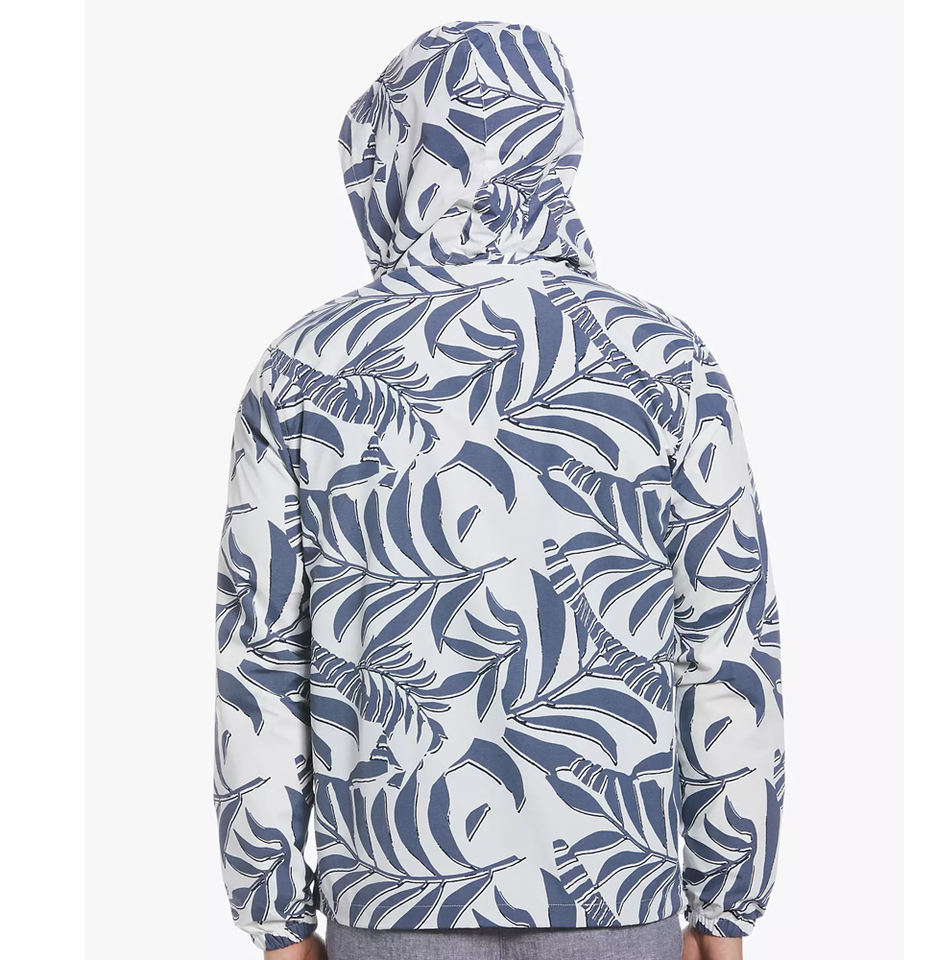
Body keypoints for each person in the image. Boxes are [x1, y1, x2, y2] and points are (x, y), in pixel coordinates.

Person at [214, 20, 785, 960]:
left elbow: (262, 657)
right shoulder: (665, 362)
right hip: (617, 896)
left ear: (398, 153)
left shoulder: (304, 369)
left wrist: (275, 917)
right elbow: (727, 644)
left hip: (390, 897)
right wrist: (727, 907)